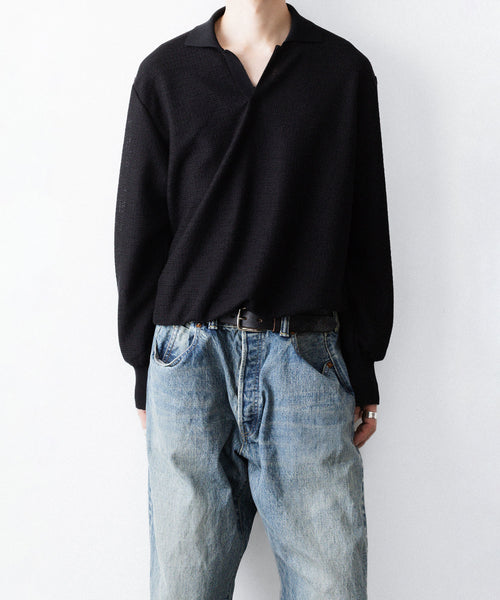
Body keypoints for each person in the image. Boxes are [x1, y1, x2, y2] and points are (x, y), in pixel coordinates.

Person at [114, 1, 393, 598]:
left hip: (307, 359)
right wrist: (143, 372)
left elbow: (365, 226)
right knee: (185, 586)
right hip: (189, 366)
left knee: (332, 586)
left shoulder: (342, 71)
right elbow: (139, 234)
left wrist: (363, 364)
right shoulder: (165, 75)